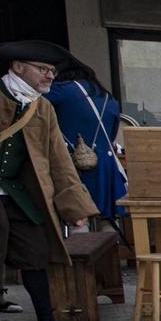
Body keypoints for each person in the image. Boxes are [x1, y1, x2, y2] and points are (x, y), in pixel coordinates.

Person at [0, 40, 99, 321]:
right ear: (17, 66)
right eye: (42, 69)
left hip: (18, 191)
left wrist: (74, 205)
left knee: (35, 254)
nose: (49, 76)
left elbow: (58, 160)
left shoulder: (43, 107)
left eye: (52, 70)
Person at [45, 58, 127, 222]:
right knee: (108, 220)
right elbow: (111, 134)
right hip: (105, 163)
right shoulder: (107, 97)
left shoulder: (64, 90)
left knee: (79, 218)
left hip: (75, 163)